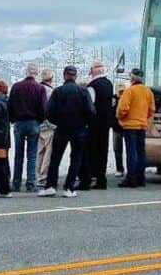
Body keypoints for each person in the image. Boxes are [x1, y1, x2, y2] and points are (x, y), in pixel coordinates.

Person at [39, 65, 94, 198]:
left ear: (64, 75)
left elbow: (48, 112)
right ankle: (69, 188)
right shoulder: (83, 91)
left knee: (55, 158)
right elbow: (91, 111)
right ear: (75, 76)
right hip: (79, 129)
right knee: (76, 159)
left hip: (62, 128)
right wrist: (84, 122)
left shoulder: (58, 91)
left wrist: (57, 122)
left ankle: (51, 186)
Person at [7, 63, 47, 192]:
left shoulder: (16, 87)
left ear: (26, 72)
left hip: (19, 123)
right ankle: (30, 183)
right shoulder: (40, 88)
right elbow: (43, 108)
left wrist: (13, 120)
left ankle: (16, 183)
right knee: (32, 154)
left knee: (18, 155)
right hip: (33, 123)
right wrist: (39, 121)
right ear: (36, 74)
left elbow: (10, 105)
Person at [117, 67, 155, 188]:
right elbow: (152, 109)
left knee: (131, 152)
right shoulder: (148, 91)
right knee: (141, 152)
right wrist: (144, 117)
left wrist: (120, 117)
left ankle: (131, 179)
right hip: (142, 125)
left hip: (130, 126)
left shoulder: (129, 91)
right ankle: (141, 178)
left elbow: (122, 109)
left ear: (132, 78)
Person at [80, 60, 114, 190]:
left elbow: (90, 105)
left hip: (94, 123)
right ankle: (101, 178)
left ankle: (92, 176)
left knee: (92, 150)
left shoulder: (93, 85)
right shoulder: (109, 84)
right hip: (106, 122)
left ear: (93, 70)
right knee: (103, 149)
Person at [35, 68, 56, 188]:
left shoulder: (37, 88)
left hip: (38, 123)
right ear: (51, 78)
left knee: (39, 151)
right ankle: (43, 176)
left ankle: (37, 174)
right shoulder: (50, 91)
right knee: (48, 151)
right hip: (48, 124)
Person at [111, 82, 125, 177]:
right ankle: (119, 168)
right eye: (119, 91)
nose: (121, 92)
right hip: (117, 127)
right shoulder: (113, 99)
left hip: (126, 126)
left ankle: (122, 169)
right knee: (117, 149)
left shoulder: (126, 98)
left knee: (128, 149)